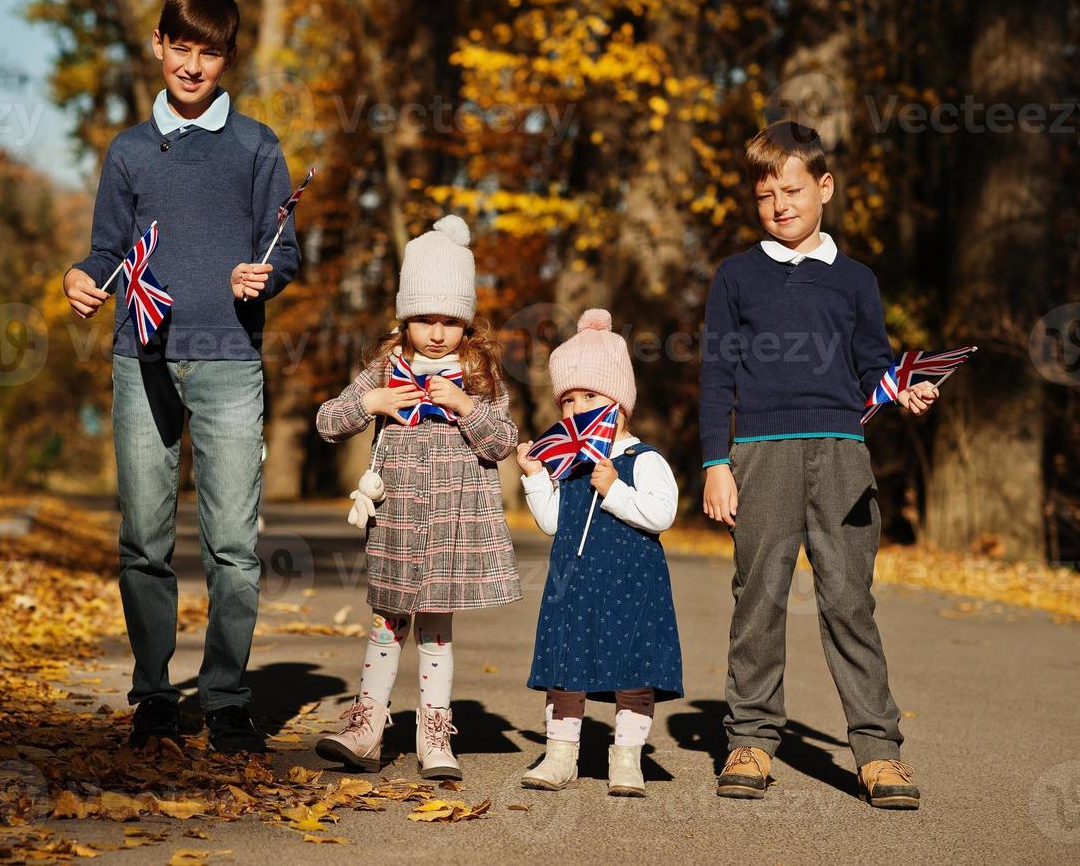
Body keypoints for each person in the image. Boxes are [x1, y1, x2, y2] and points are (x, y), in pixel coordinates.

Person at [63, 0, 300, 754]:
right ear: (158, 46)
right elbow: (107, 247)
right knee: (144, 539)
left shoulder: (257, 147)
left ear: (227, 57)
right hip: (143, 359)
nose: (193, 65)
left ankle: (228, 695)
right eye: (181, 48)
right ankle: (155, 695)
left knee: (233, 544)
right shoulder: (129, 150)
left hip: (231, 362)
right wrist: (83, 277)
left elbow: (283, 248)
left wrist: (261, 277)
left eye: (209, 52)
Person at [701, 120, 937, 809]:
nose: (780, 204)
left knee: (847, 601)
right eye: (766, 192)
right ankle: (748, 739)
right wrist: (716, 461)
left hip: (841, 456)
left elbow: (873, 364)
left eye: (794, 188)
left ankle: (876, 751)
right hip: (759, 457)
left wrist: (903, 384)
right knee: (758, 599)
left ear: (824, 188)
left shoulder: (856, 279)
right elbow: (716, 374)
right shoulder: (735, 276)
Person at [314, 215, 521, 781]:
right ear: (405, 319)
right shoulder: (386, 370)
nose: (437, 333)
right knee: (387, 622)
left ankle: (434, 730)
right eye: (424, 319)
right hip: (398, 522)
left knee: (435, 628)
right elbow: (327, 421)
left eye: (450, 321)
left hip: (454, 522)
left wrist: (463, 405)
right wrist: (371, 404)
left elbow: (504, 442)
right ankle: (367, 726)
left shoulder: (479, 376)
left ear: (466, 324)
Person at [515, 308, 683, 796]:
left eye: (590, 395)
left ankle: (627, 757)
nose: (577, 408)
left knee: (633, 671)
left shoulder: (643, 459)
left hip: (632, 585)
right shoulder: (565, 463)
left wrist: (614, 489)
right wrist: (534, 478)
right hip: (574, 583)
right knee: (566, 671)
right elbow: (552, 523)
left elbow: (661, 514)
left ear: (621, 402)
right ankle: (561, 754)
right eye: (568, 400)